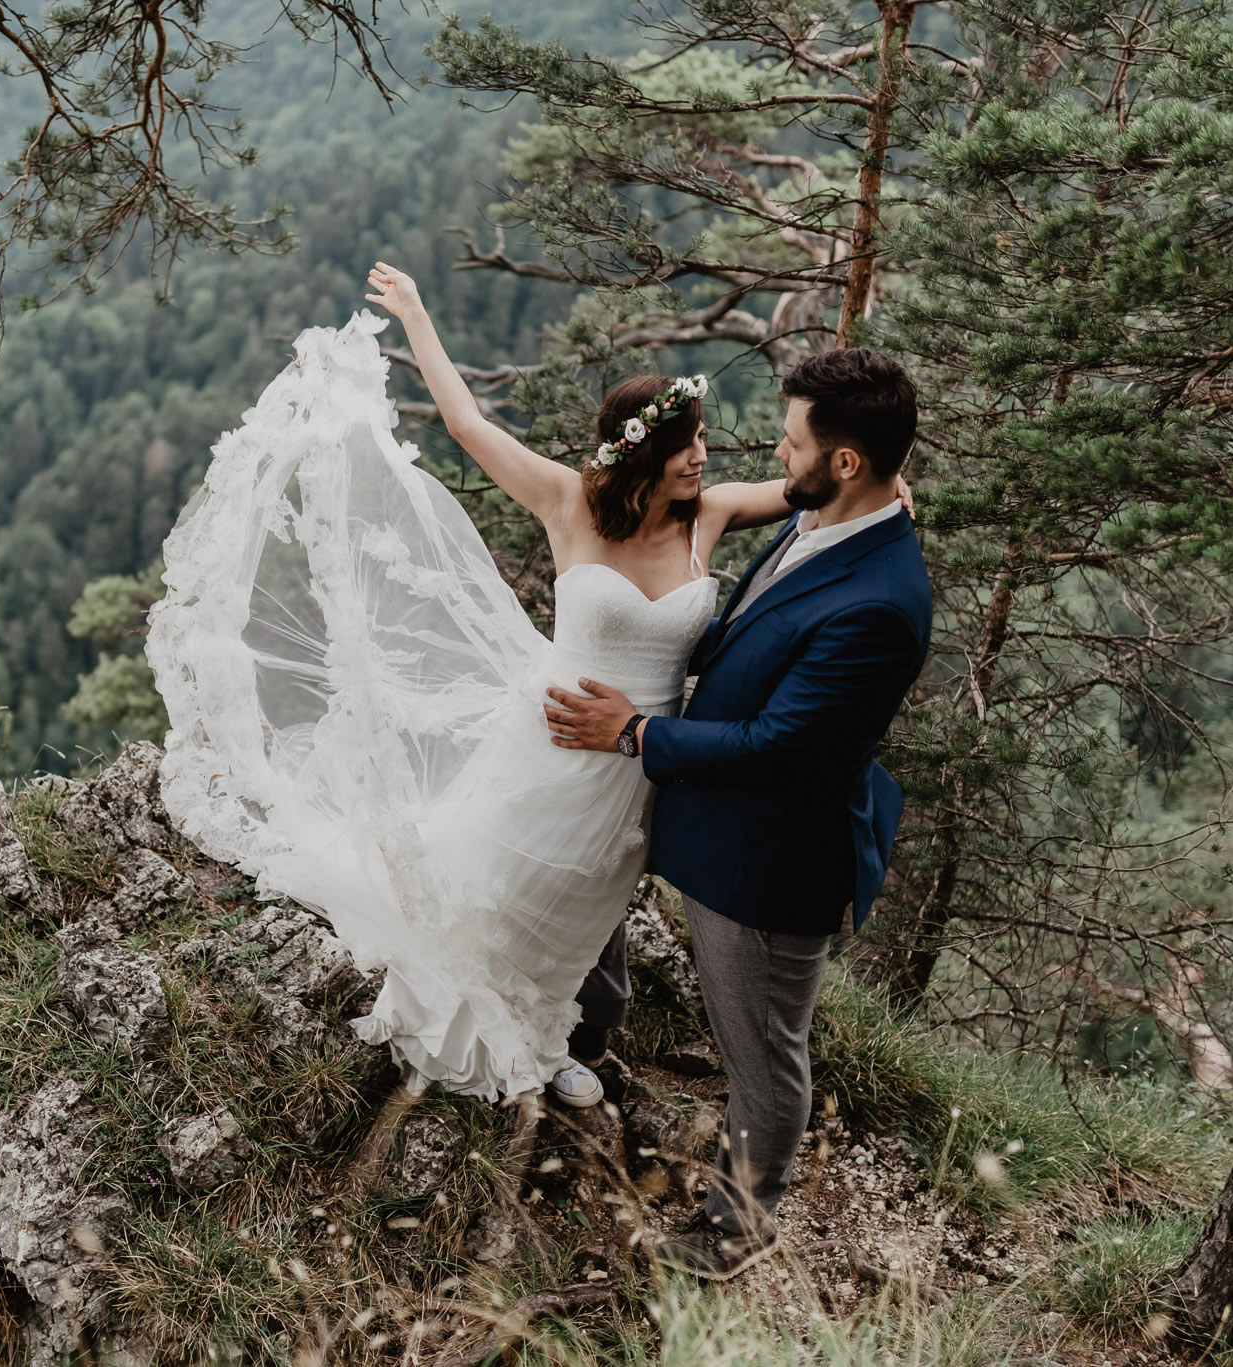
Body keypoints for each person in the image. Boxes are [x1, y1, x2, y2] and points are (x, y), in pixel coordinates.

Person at [143, 261, 906, 1106]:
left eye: (703, 445)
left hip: (642, 761)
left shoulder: (713, 514)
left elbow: (819, 493)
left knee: (583, 910)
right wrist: (417, 315)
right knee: (510, 886)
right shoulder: (569, 503)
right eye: (688, 446)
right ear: (644, 454)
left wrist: (887, 483)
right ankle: (474, 1030)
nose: (704, 458)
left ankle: (542, 1038)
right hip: (552, 744)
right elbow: (468, 424)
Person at [544, 345, 933, 1280]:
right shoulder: (827, 518)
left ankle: (734, 1235)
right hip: (712, 824)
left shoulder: (881, 601)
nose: (775, 452)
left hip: (769, 865)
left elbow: (778, 748)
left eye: (792, 441)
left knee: (762, 1058)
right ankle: (579, 1030)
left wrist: (635, 730)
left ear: (845, 461)